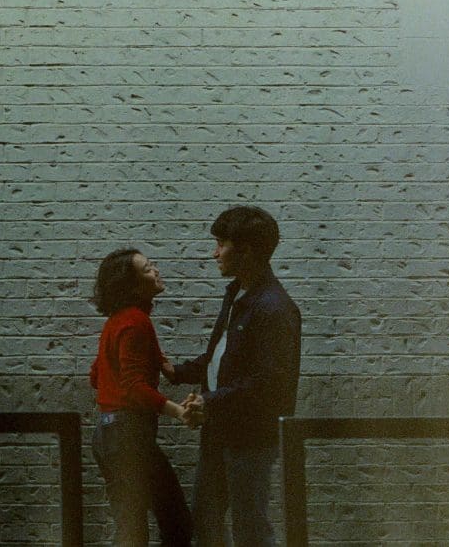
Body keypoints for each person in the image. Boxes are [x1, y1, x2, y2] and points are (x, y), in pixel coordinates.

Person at [164, 206, 301, 546]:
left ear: (247, 249)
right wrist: (177, 372)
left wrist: (209, 401)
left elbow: (271, 383)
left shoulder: (275, 308)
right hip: (220, 429)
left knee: (249, 527)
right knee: (207, 520)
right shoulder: (237, 294)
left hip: (250, 438)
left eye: (221, 243)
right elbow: (220, 357)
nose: (215, 252)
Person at [90, 248, 193, 547]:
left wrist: (157, 360)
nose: (156, 271)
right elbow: (133, 387)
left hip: (108, 435)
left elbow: (97, 376)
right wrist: (178, 411)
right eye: (148, 269)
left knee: (131, 525)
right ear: (134, 286)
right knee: (176, 523)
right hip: (128, 436)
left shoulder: (117, 321)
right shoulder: (136, 321)